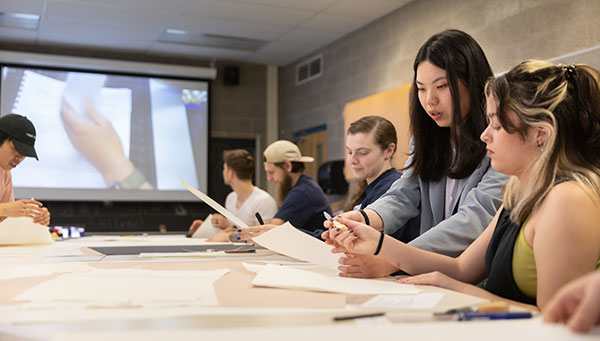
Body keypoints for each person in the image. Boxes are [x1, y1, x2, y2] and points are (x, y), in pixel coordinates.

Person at [325, 60, 600, 310]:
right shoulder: (519, 191)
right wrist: (378, 243)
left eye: (497, 125)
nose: (484, 136)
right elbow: (461, 266)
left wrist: (464, 291)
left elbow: (559, 320)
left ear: (540, 134)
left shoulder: (568, 199)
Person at [326, 29, 507, 278]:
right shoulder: (426, 139)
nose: (430, 100)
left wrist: (396, 259)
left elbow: (474, 219)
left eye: (441, 86)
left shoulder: (501, 142)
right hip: (428, 275)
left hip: (475, 277)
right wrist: (362, 218)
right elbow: (403, 195)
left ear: (472, 82)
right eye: (421, 89)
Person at [187, 149, 277, 239]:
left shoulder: (263, 200)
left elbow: (262, 237)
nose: (223, 172)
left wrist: (230, 225)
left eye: (224, 168)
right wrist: (206, 228)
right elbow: (229, 232)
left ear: (230, 173)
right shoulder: (231, 198)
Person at [0, 113, 51, 226]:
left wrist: (34, 216)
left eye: (24, 154)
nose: (19, 158)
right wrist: (4, 209)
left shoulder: (5, 172)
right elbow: (5, 210)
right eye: (15, 149)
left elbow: (4, 221)